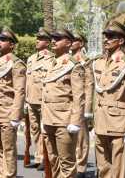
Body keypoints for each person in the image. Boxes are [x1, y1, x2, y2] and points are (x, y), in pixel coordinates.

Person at [92, 21, 125, 178]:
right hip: (100, 122)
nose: (106, 39)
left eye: (111, 36)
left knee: (120, 171)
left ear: (121, 41)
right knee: (103, 168)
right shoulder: (98, 62)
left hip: (119, 125)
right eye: (105, 36)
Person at [43, 29, 85, 178]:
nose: (53, 41)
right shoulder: (51, 63)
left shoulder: (75, 65)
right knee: (53, 161)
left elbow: (79, 96)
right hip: (49, 120)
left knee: (66, 163)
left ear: (68, 43)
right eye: (53, 38)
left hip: (64, 121)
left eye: (58, 38)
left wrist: (75, 121)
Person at [0, 28, 26, 178]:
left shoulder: (16, 64)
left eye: (3, 40)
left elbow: (19, 91)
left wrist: (16, 116)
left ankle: (9, 175)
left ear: (12, 45)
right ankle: (1, 174)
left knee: (8, 149)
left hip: (7, 113)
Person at [25, 27, 53, 170]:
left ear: (47, 42)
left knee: (44, 130)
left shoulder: (51, 59)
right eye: (37, 38)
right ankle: (38, 156)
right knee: (34, 129)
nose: (37, 41)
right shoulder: (31, 59)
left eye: (41, 39)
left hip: (43, 100)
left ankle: (45, 158)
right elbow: (28, 79)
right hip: (31, 99)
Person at [71, 32, 94, 178]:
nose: (72, 42)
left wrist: (87, 109)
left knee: (81, 138)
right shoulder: (67, 59)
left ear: (81, 43)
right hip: (68, 104)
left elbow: (89, 85)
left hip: (81, 103)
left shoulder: (85, 61)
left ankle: (81, 166)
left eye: (76, 40)